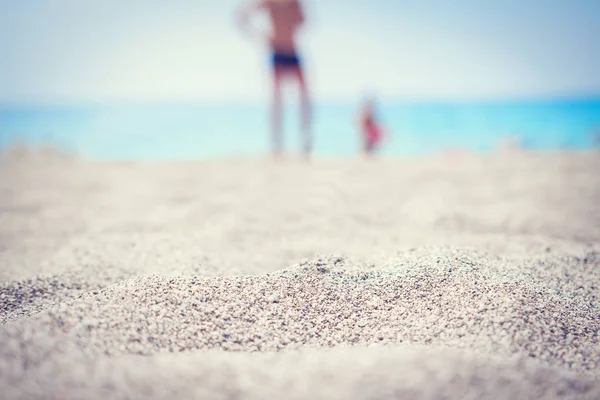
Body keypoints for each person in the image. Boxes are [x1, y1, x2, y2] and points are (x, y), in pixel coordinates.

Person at [236, 0, 312, 158]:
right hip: (276, 51)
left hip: (292, 50)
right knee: (276, 98)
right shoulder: (268, 2)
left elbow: (303, 20)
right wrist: (259, 34)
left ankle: (305, 140)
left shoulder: (295, 2)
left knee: (304, 95)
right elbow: (241, 15)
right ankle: (276, 144)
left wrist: (291, 23)